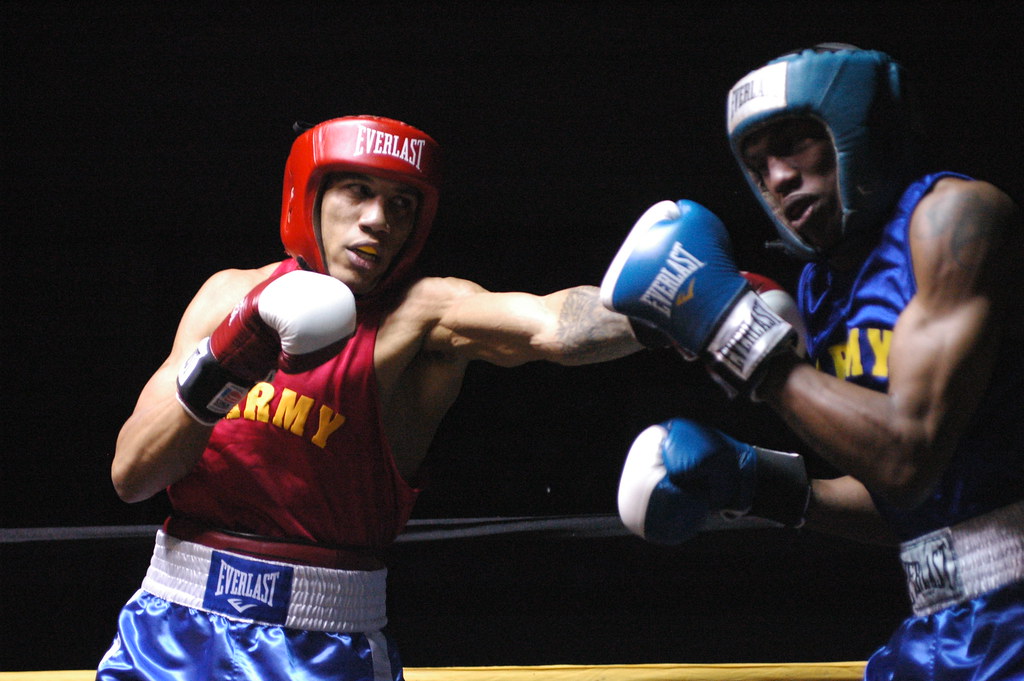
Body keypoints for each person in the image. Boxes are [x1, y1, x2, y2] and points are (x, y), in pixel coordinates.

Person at [97, 115, 643, 680]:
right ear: (310, 196)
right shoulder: (227, 296)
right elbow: (131, 475)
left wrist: (686, 299)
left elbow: (552, 325)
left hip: (320, 647)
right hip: (170, 629)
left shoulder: (424, 316)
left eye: (402, 204)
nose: (378, 220)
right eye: (358, 191)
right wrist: (233, 355)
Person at [601, 44, 1023, 679]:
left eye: (794, 142)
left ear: (857, 128)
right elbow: (906, 506)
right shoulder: (822, 293)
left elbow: (906, 456)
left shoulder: (956, 220)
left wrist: (733, 336)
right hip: (946, 622)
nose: (777, 178)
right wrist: (752, 482)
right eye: (757, 165)